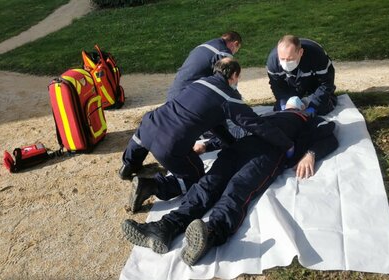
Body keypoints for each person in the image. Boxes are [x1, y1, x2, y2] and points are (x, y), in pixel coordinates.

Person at [121, 96, 339, 266]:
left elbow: (329, 135)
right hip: (237, 149)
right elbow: (236, 130)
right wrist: (208, 145)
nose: (292, 107)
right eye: (290, 105)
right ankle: (166, 226)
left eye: (296, 105)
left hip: (269, 154)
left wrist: (311, 153)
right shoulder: (269, 116)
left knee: (237, 189)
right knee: (207, 184)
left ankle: (212, 232)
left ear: (301, 108)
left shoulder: (309, 121)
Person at [119, 58, 294, 212]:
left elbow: (213, 121)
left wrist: (231, 144)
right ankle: (150, 186)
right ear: (233, 76)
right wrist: (286, 143)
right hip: (170, 145)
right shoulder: (228, 97)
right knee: (194, 177)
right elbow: (255, 123)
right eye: (238, 77)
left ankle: (128, 165)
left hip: (149, 125)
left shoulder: (200, 83)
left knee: (143, 135)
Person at [267, 35, 337, 114]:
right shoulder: (273, 61)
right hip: (292, 83)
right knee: (280, 109)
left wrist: (312, 107)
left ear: (301, 52)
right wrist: (285, 105)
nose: (285, 63)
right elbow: (277, 87)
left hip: (314, 81)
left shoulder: (317, 55)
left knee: (322, 108)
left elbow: (326, 83)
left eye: (290, 59)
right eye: (282, 59)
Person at [166, 31, 242, 101]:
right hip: (189, 98)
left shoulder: (204, 46)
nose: (233, 53)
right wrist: (239, 101)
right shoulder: (223, 52)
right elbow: (229, 81)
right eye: (236, 49)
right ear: (235, 44)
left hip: (174, 95)